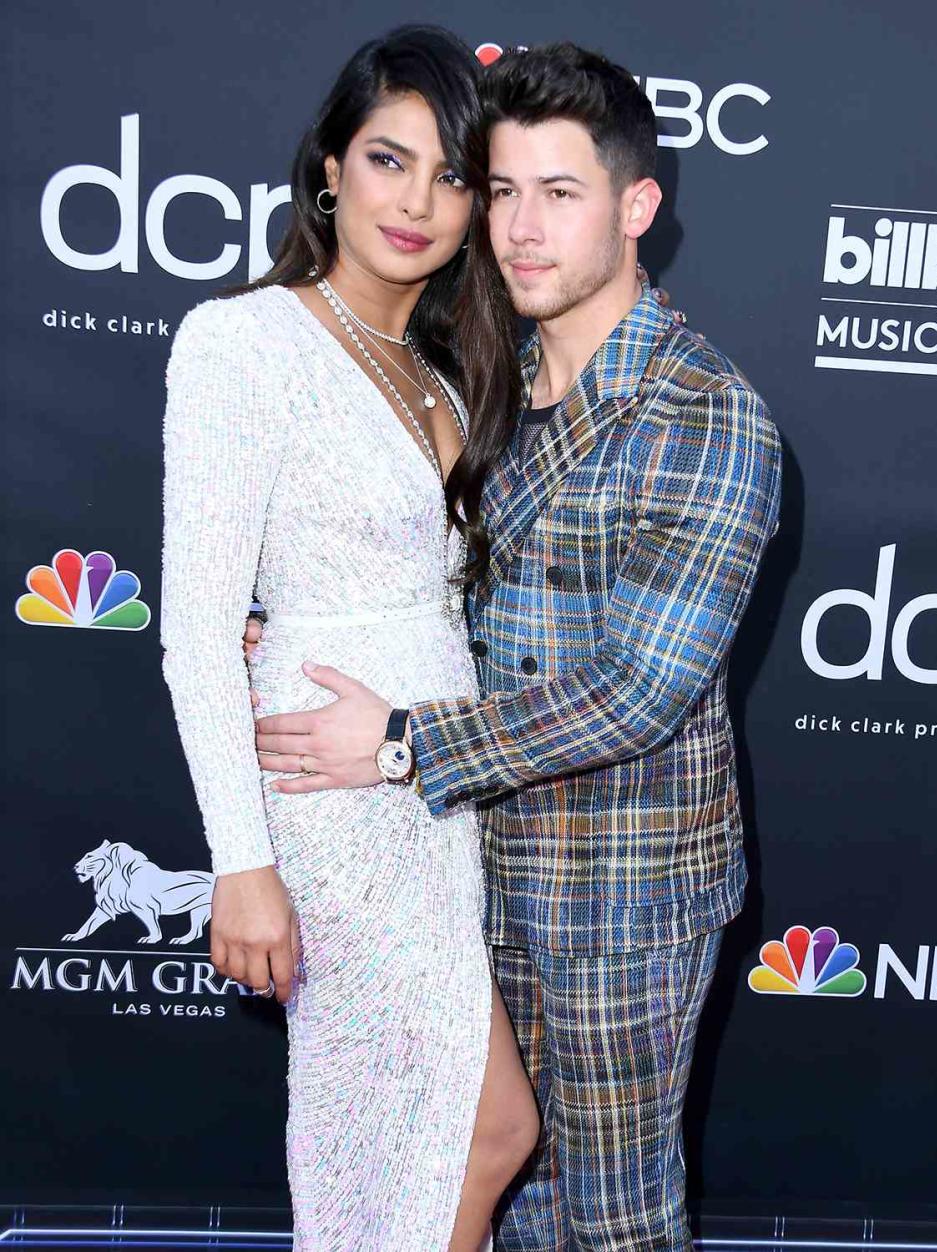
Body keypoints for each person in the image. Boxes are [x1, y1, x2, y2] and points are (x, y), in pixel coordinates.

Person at [249, 43, 783, 1252]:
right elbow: (433, 576)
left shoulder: (706, 413)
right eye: (500, 191)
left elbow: (635, 691)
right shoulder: (488, 377)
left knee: (612, 1213)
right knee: (492, 1181)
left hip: (622, 895)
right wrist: (297, 611)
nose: (521, 229)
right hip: (472, 873)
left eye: (560, 193)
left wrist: (392, 743)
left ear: (636, 206)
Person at [160, 26, 540, 1252]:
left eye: (452, 176)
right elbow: (198, 632)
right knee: (467, 1134)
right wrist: (241, 863)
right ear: (330, 167)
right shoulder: (245, 341)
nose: (418, 203)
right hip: (331, 805)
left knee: (439, 1146)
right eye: (389, 159)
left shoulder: (443, 369)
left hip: (430, 792)